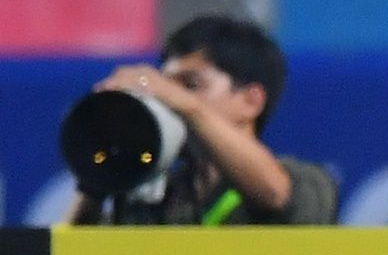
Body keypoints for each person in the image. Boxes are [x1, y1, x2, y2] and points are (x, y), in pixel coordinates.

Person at [67, 15, 335, 225]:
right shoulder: (157, 200)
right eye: (166, 85)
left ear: (250, 101)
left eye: (191, 84)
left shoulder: (306, 182)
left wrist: (186, 105)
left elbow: (274, 194)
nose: (167, 99)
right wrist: (100, 166)